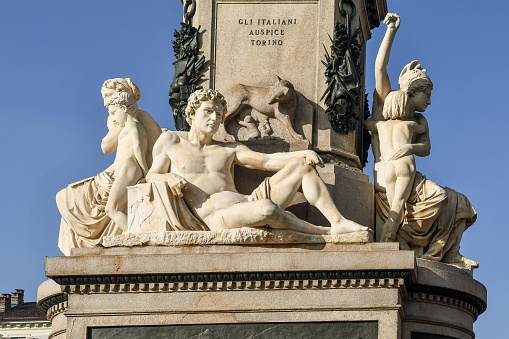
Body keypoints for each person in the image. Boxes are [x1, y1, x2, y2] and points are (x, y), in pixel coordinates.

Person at [146, 89, 368, 235]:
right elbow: (150, 176)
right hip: (215, 216)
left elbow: (268, 161)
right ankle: (323, 232)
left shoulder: (228, 149)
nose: (214, 119)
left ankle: (337, 221)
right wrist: (168, 176)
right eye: (208, 112)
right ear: (192, 114)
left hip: (247, 201)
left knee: (302, 167)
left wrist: (301, 155)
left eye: (219, 114)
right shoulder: (171, 141)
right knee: (265, 209)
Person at [370, 13, 478, 267]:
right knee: (440, 196)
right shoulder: (387, 102)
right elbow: (379, 68)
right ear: (413, 91)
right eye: (426, 94)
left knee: (459, 201)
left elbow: (425, 148)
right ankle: (403, 236)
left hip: (410, 173)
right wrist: (391, 31)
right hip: (389, 173)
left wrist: (407, 145)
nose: (429, 101)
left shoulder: (417, 121)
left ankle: (448, 252)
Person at [57, 78, 161, 255]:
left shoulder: (134, 119)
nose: (105, 103)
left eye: (108, 96)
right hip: (118, 171)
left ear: (122, 98)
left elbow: (107, 147)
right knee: (66, 198)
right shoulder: (126, 120)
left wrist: (147, 173)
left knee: (68, 197)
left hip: (124, 172)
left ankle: (133, 236)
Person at [364, 90, 428, 242]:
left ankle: (385, 239)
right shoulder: (410, 124)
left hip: (388, 167)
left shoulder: (381, 126)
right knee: (399, 203)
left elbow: (366, 124)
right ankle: (390, 236)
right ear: (404, 105)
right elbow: (423, 129)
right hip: (404, 164)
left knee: (393, 206)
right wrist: (422, 118)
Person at [103, 92, 148, 231]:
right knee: (114, 208)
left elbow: (139, 148)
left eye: (114, 112)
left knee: (112, 208)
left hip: (130, 168)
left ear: (124, 107)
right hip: (125, 169)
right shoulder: (129, 126)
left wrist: (146, 172)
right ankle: (133, 234)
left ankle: (134, 235)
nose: (113, 118)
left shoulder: (134, 126)